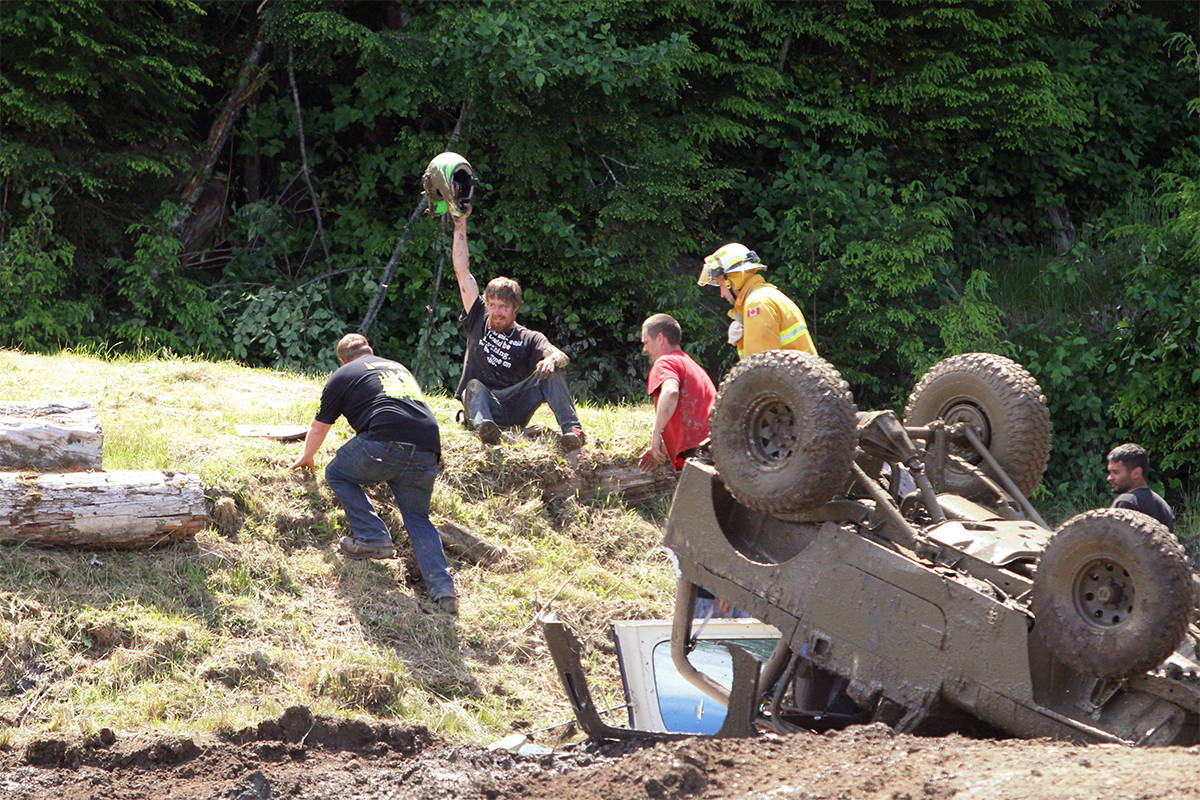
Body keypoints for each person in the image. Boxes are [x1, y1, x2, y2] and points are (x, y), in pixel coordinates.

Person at [291, 333, 458, 615]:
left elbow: (320, 425)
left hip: (385, 442)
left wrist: (307, 457)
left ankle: (372, 537)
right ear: (370, 351)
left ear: (342, 359)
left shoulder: (343, 374)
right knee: (418, 518)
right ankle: (444, 592)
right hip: (428, 448)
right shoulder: (397, 368)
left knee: (337, 472)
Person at [450, 210, 585, 449]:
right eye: (492, 305)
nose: (497, 312)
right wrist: (460, 224)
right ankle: (486, 429)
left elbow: (561, 355)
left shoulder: (529, 337)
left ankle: (573, 431)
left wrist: (551, 361)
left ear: (516, 309)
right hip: (482, 403)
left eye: (503, 307)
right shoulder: (478, 315)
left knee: (551, 373)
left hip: (514, 405)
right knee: (473, 386)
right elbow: (463, 272)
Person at [697, 242, 817, 359]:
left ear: (731, 281)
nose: (722, 294)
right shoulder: (766, 296)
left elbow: (761, 368)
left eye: (720, 284)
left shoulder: (758, 304)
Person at [637, 313, 717, 472]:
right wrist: (662, 447)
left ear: (660, 338)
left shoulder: (665, 362)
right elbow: (692, 417)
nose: (645, 349)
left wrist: (655, 437)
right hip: (714, 448)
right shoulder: (691, 365)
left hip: (698, 455)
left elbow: (671, 392)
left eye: (646, 342)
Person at [1106, 443, 1175, 531]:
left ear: (1136, 473)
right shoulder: (1163, 505)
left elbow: (1113, 540)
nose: (1109, 478)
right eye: (1110, 472)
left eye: (1115, 472)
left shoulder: (1126, 502)